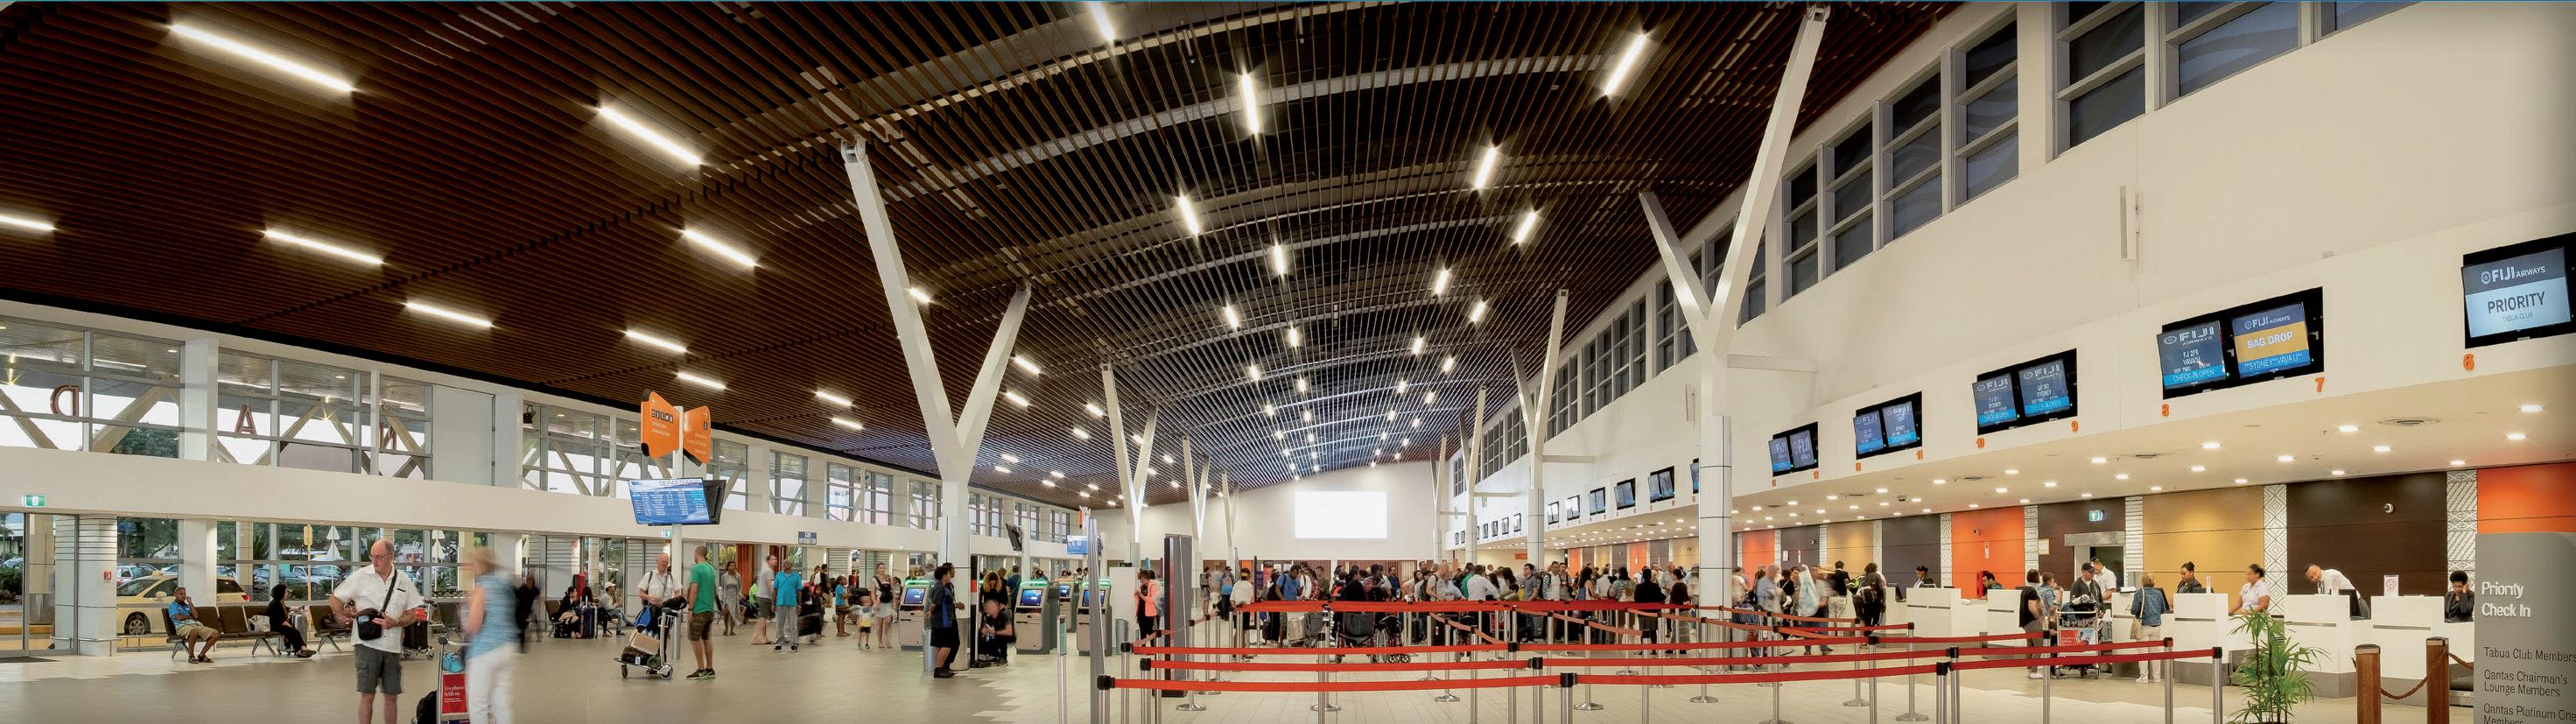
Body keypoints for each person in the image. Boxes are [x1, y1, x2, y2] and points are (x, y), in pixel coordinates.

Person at [333, 539, 423, 724]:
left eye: (379, 557)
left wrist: (395, 622)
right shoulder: (361, 576)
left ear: (391, 557)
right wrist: (341, 614)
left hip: (392, 646)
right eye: (372, 556)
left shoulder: (403, 580)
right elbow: (335, 598)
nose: (374, 561)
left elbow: (412, 614)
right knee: (367, 694)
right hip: (366, 643)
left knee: (391, 696)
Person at [462, 546, 518, 723]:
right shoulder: (504, 585)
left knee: (477, 703)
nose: (467, 568)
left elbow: (474, 625)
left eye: (470, 564)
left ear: (478, 565)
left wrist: (465, 609)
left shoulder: (481, 588)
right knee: (501, 702)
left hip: (485, 651)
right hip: (507, 647)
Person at [684, 546, 718, 679]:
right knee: (707, 638)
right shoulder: (711, 569)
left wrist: (690, 609)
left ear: (696, 554)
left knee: (694, 639)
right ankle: (710, 668)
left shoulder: (696, 569)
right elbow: (713, 589)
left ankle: (701, 669)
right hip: (709, 609)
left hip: (699, 610)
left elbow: (694, 589)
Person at [2129, 573, 2169, 684]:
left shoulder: (2139, 593)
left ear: (2143, 581)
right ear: (2153, 581)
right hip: (2156, 626)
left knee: (2143, 652)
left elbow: (2134, 610)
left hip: (2144, 626)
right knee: (2155, 652)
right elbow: (2163, 609)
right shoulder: (2159, 593)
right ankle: (2157, 677)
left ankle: (2144, 677)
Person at [169, 587, 222, 663]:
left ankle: (201, 655)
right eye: (181, 594)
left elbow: (196, 616)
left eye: (184, 594)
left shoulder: (187, 606)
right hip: (182, 626)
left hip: (196, 625)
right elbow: (179, 617)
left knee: (215, 633)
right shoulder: (172, 605)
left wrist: (190, 603)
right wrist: (190, 617)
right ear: (175, 595)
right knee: (194, 632)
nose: (183, 596)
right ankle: (191, 656)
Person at [930, 563, 963, 678]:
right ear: (944, 576)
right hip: (943, 621)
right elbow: (934, 603)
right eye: (949, 573)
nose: (950, 575)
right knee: (948, 644)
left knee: (940, 645)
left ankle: (941, 667)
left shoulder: (943, 586)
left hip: (943, 620)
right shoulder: (940, 587)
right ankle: (939, 668)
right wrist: (930, 612)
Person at [264, 583, 315, 657]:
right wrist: (291, 627)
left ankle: (300, 651)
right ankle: (302, 648)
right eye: (286, 592)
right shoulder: (276, 604)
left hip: (277, 625)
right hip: (274, 626)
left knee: (293, 632)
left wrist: (296, 609)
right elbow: (281, 620)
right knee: (294, 632)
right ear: (281, 593)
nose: (287, 593)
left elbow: (286, 609)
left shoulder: (279, 602)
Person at [635, 553, 679, 633]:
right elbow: (641, 593)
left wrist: (673, 603)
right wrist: (651, 598)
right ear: (657, 562)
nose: (665, 564)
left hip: (666, 612)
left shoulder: (672, 577)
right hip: (652, 612)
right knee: (649, 636)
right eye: (663, 562)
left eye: (667, 562)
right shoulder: (649, 576)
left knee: (663, 635)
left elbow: (678, 593)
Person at [2018, 569, 2046, 679]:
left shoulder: (2025, 589)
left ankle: (2030, 669)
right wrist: (2038, 618)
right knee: (2039, 646)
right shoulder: (2032, 591)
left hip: (2026, 622)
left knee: (2030, 646)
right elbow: (2032, 607)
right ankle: (2034, 671)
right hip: (2032, 622)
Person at [771, 557, 803, 652]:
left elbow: (799, 591)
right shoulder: (779, 575)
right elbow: (775, 590)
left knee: (793, 625)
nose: (784, 565)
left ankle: (794, 644)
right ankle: (779, 644)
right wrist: (773, 603)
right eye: (783, 563)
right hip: (780, 603)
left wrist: (799, 605)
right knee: (779, 625)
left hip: (792, 603)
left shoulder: (796, 576)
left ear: (791, 565)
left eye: (787, 563)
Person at [974, 597, 1016, 666]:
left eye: (988, 607)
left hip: (1006, 636)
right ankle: (990, 655)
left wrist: (995, 632)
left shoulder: (1003, 615)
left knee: (1001, 637)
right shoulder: (988, 618)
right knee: (980, 635)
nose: (987, 610)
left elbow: (1009, 632)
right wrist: (984, 632)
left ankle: (1003, 658)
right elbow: (985, 629)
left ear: (994, 607)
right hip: (994, 635)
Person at [874, 565, 900, 650]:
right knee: (880, 624)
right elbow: (874, 594)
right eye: (880, 568)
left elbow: (893, 593)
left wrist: (894, 604)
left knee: (888, 623)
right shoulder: (875, 580)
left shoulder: (889, 578)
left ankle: (888, 640)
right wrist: (876, 604)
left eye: (883, 568)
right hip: (880, 604)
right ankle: (880, 641)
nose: (882, 569)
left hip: (888, 604)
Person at [1855, 563, 1888, 628]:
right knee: (1876, 619)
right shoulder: (1877, 576)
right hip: (1876, 601)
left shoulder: (1864, 578)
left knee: (1867, 619)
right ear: (1875, 569)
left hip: (1866, 602)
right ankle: (1872, 631)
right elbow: (1881, 589)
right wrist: (1883, 601)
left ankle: (1867, 632)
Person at [1135, 569, 1164, 638]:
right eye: (1140, 579)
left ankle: (1153, 645)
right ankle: (1143, 645)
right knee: (1142, 632)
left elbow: (1153, 599)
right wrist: (1137, 595)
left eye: (1142, 579)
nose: (1141, 581)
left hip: (1149, 613)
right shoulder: (1141, 587)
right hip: (1141, 612)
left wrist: (1142, 596)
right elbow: (1138, 599)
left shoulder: (1153, 586)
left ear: (1147, 578)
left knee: (1150, 631)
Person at [716, 563, 741, 636]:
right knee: (727, 612)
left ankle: (731, 630)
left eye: (734, 566)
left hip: (734, 597)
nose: (733, 567)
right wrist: (722, 596)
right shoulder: (724, 576)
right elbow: (723, 588)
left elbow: (740, 586)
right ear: (728, 567)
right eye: (732, 566)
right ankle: (726, 628)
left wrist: (739, 594)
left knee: (733, 613)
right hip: (726, 597)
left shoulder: (738, 576)